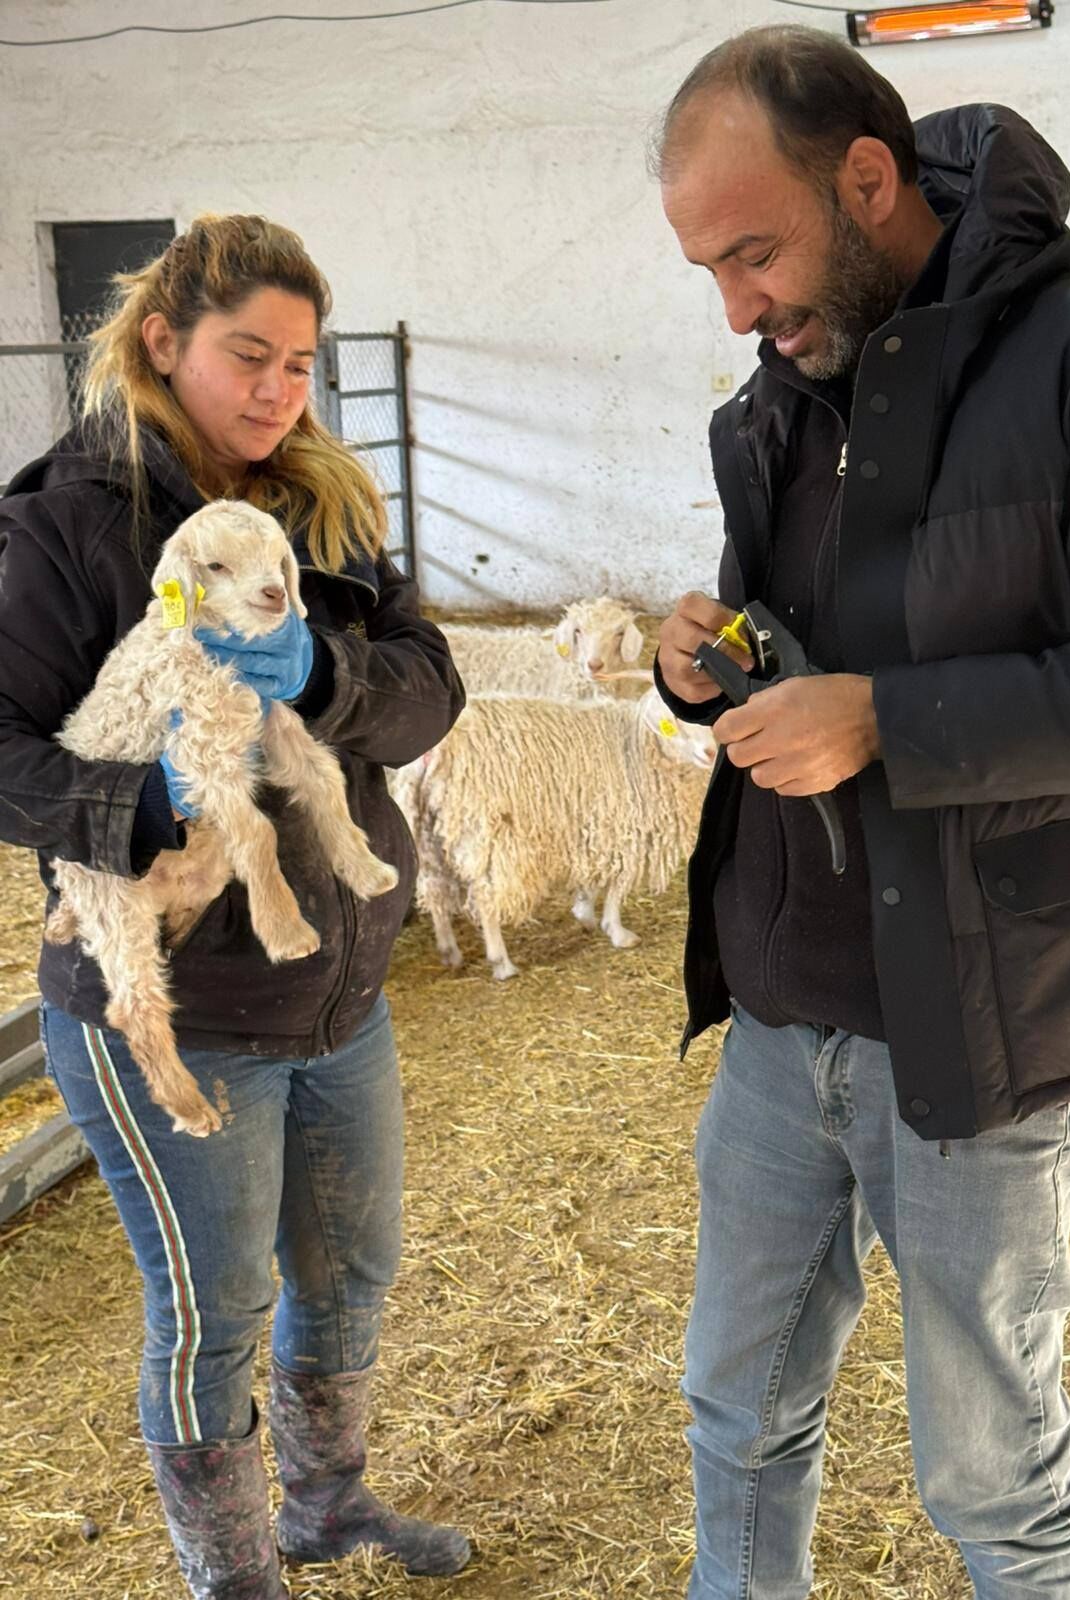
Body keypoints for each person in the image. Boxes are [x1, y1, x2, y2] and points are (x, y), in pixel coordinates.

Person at [651, 26, 1070, 1600]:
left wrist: (883, 721)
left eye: (753, 252)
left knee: (988, 1471)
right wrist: (718, 662)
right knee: (736, 1409)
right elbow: (801, 642)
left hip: (980, 1021)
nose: (739, 306)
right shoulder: (780, 394)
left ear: (872, 182)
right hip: (780, 1006)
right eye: (710, 269)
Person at [0, 214, 470, 1598]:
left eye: (302, 365)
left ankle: (325, 1506)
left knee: (352, 1275)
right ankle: (236, 1576)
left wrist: (321, 674)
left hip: (335, 983)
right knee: (215, 1315)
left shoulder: (325, 504)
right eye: (247, 356)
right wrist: (134, 809)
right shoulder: (66, 522)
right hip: (178, 1005)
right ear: (162, 341)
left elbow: (430, 686)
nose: (279, 391)